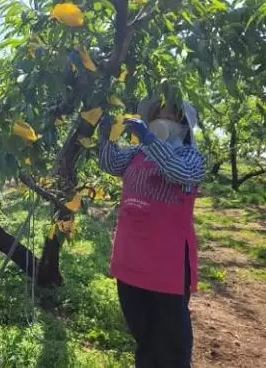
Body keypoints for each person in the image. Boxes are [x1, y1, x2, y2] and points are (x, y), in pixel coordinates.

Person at [98, 97, 205, 368]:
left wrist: (149, 139)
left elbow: (178, 171)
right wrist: (107, 137)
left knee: (171, 337)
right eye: (158, 115)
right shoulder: (137, 154)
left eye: (169, 117)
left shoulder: (190, 156)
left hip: (165, 262)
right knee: (142, 329)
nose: (162, 121)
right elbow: (111, 165)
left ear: (183, 125)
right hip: (131, 255)